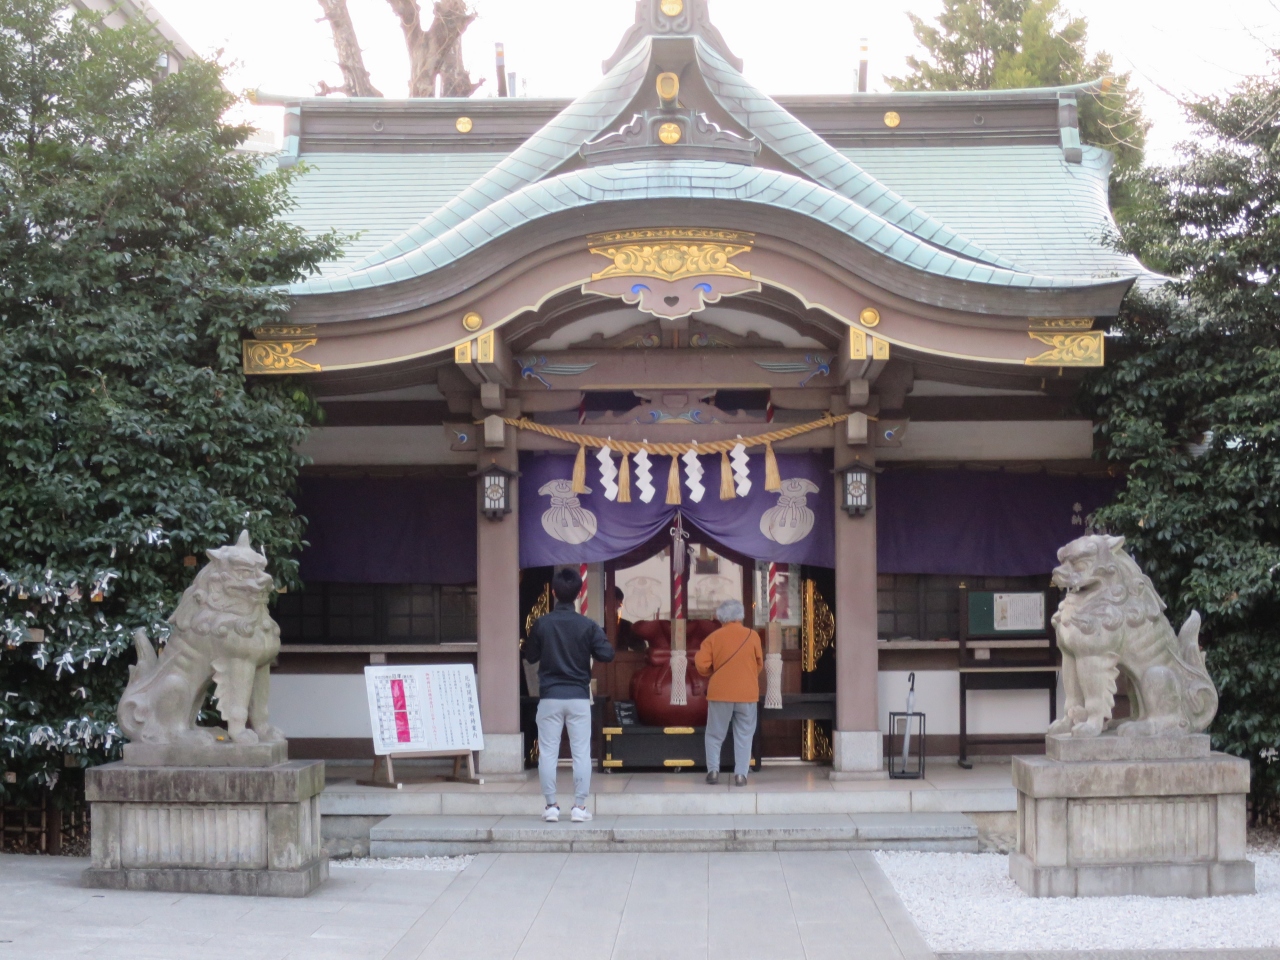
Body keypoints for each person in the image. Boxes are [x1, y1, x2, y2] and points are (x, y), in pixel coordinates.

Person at [523, 567, 615, 823]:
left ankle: (551, 806)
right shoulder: (588, 625)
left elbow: (531, 656)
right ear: (578, 594)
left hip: (550, 696)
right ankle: (579, 807)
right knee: (581, 753)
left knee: (548, 753)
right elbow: (607, 654)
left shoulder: (542, 623)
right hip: (578, 696)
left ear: (553, 592)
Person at [695, 599, 764, 786]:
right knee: (744, 734)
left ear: (721, 617)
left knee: (714, 734)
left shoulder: (713, 638)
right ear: (741, 615)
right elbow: (759, 664)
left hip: (720, 693)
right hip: (747, 693)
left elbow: (701, 665)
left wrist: (714, 673)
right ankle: (741, 775)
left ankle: (713, 771)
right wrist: (747, 676)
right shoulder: (753, 636)